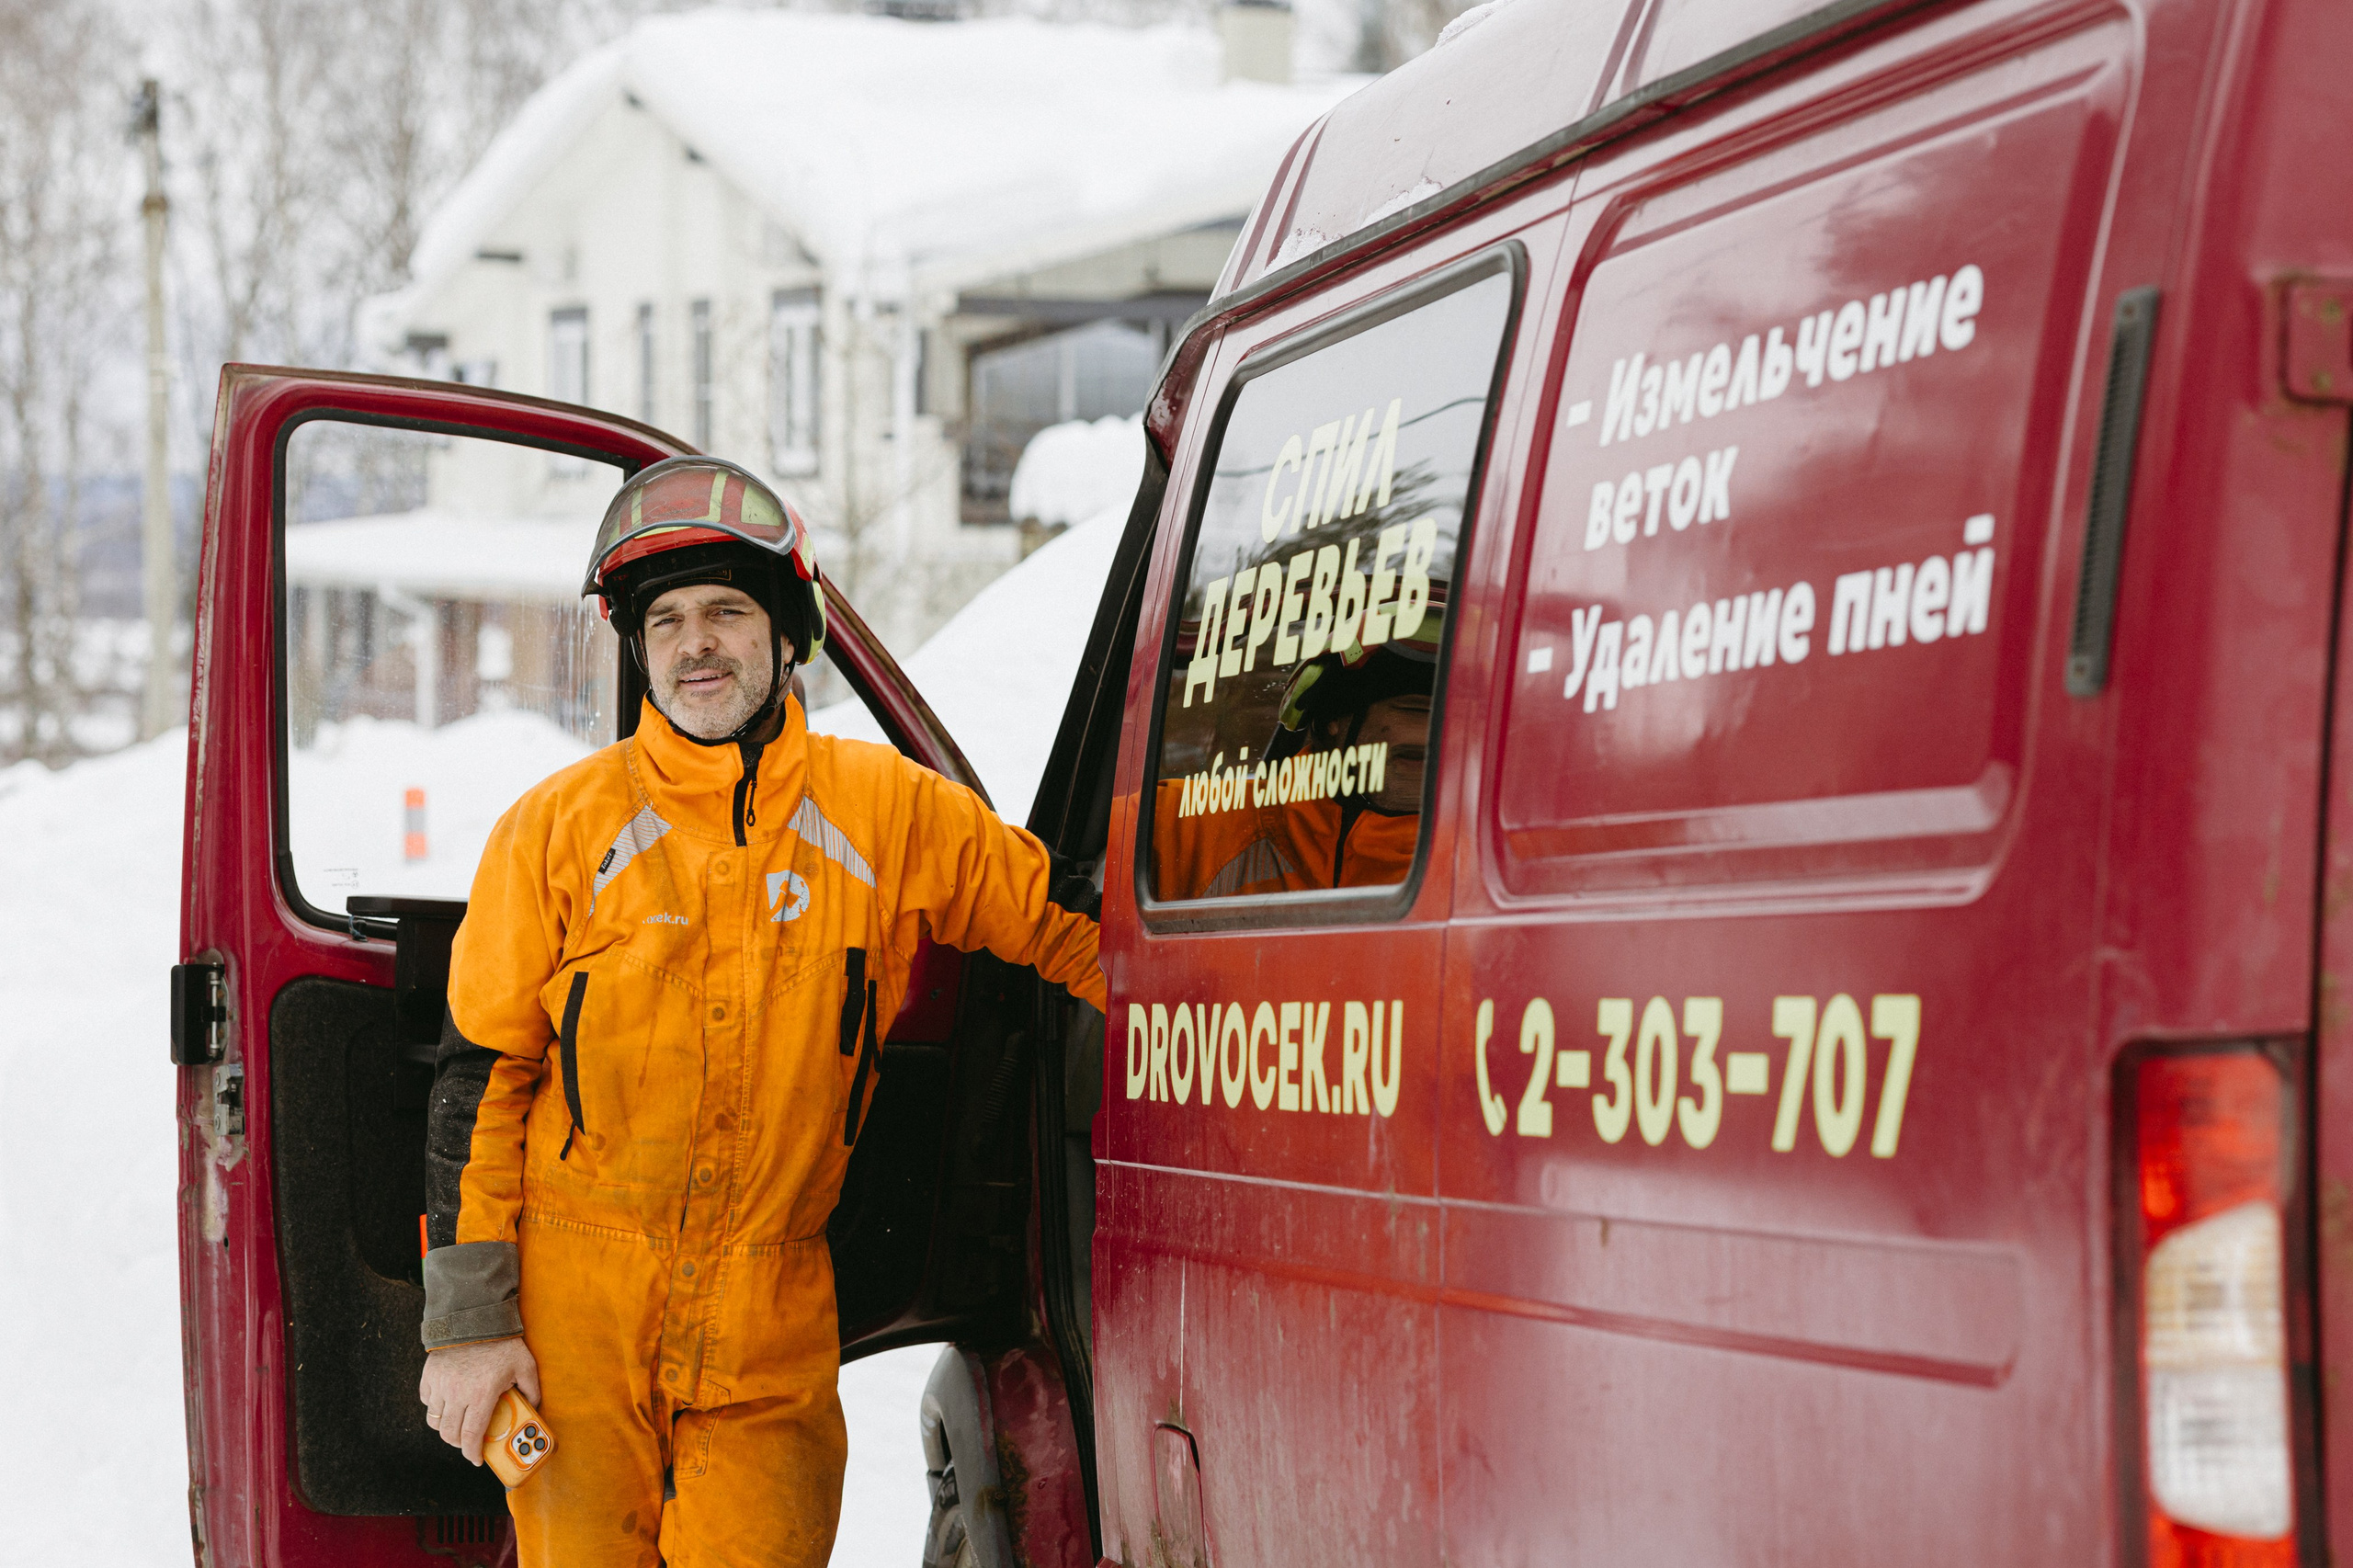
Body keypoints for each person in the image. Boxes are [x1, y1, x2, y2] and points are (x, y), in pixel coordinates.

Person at [414, 456, 1105, 1567]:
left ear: (788, 632)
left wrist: (1224, 1027)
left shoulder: (885, 812)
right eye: (669, 618)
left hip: (770, 1308)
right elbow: (481, 1081)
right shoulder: (554, 830)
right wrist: (469, 1321)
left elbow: (1071, 929)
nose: (698, 642)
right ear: (637, 648)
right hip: (576, 1307)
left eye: (730, 611)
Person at [1151, 598, 1442, 899]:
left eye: (1461, 721)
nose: (1438, 738)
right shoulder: (1193, 826)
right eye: (1414, 710)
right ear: (1334, 718)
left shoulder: (1481, 869)